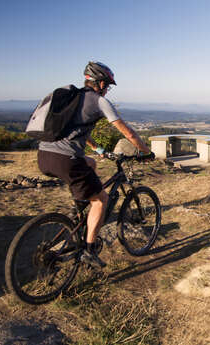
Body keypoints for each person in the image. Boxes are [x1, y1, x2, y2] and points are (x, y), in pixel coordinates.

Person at [37, 61, 154, 269]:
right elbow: (128, 133)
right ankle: (89, 250)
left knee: (89, 163)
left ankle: (79, 207)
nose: (108, 89)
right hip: (66, 160)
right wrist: (147, 152)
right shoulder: (99, 102)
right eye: (107, 85)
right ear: (99, 83)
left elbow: (78, 130)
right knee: (101, 200)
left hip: (44, 155)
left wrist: (97, 149)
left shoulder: (73, 99)